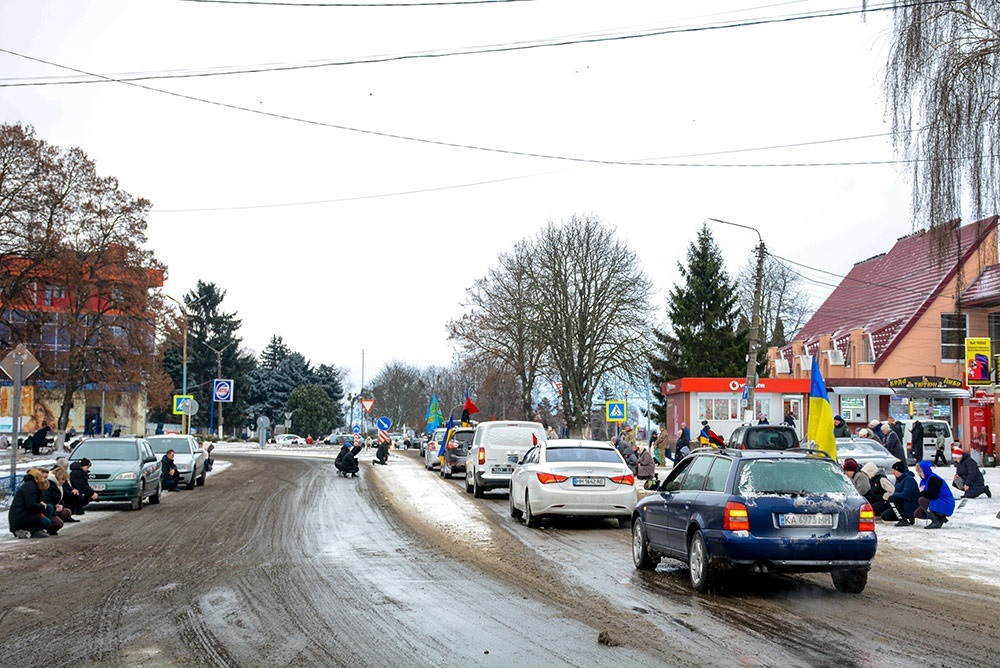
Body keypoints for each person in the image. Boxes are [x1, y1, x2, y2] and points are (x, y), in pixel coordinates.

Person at [8, 468, 52, 539]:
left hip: (23, 514)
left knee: (49, 508)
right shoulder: (30, 486)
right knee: (46, 521)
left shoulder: (31, 485)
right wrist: (41, 506)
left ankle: (38, 529)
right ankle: (33, 530)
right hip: (22, 515)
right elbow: (31, 505)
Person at [914, 460, 954, 529]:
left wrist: (921, 493)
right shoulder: (923, 481)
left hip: (945, 503)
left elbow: (933, 495)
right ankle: (940, 518)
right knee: (918, 513)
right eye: (919, 472)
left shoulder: (934, 479)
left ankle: (936, 521)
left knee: (922, 500)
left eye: (921, 471)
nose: (920, 474)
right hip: (937, 502)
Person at [882, 461, 920, 526]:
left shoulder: (909, 480)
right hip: (901, 503)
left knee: (892, 498)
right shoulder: (899, 480)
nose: (893, 472)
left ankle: (903, 519)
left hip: (910, 504)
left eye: (894, 470)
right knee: (885, 516)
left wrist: (893, 494)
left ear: (898, 470)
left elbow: (906, 495)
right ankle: (905, 517)